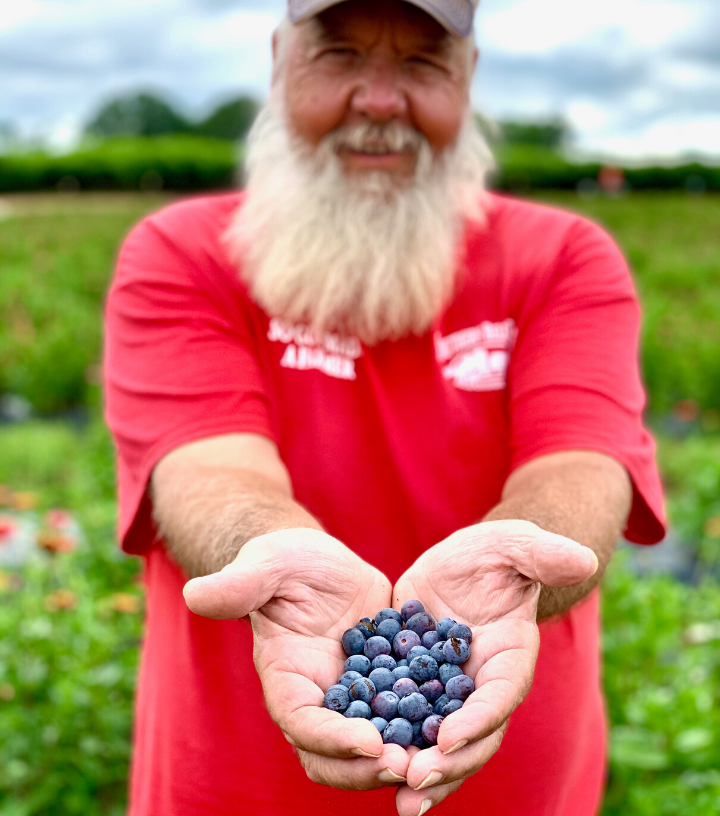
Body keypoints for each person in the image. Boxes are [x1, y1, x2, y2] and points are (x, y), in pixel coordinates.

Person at [104, 1, 665, 814]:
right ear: (278, 61)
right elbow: (209, 468)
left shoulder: (564, 260)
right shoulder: (183, 255)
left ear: (467, 79)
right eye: (339, 56)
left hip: (513, 788)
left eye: (421, 64)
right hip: (235, 790)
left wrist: (520, 561)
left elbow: (580, 460)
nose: (378, 101)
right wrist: (276, 551)